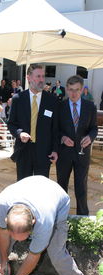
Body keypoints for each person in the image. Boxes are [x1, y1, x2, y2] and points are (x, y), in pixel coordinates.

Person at [0, 176, 89, 275]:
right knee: (3, 243)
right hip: (32, 190)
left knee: (57, 253)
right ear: (6, 221)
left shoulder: (45, 222)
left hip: (56, 200)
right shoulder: (1, 205)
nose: (19, 242)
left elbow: (33, 256)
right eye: (15, 237)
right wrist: (3, 261)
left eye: (23, 238)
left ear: (33, 223)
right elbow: (2, 234)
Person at [7, 63, 59, 181]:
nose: (42, 80)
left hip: (44, 152)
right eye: (38, 76)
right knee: (23, 187)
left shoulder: (52, 101)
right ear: (29, 78)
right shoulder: (18, 99)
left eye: (43, 76)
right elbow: (10, 123)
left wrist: (55, 150)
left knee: (41, 188)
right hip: (24, 151)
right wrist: (19, 133)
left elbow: (55, 129)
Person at [56, 75, 98, 215]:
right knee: (61, 188)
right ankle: (60, 217)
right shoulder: (60, 106)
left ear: (82, 90)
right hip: (64, 154)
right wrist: (62, 137)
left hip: (82, 154)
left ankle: (83, 218)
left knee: (81, 189)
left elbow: (94, 128)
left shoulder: (90, 106)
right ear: (67, 90)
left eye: (77, 90)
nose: (73, 93)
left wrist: (90, 137)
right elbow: (55, 128)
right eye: (71, 90)